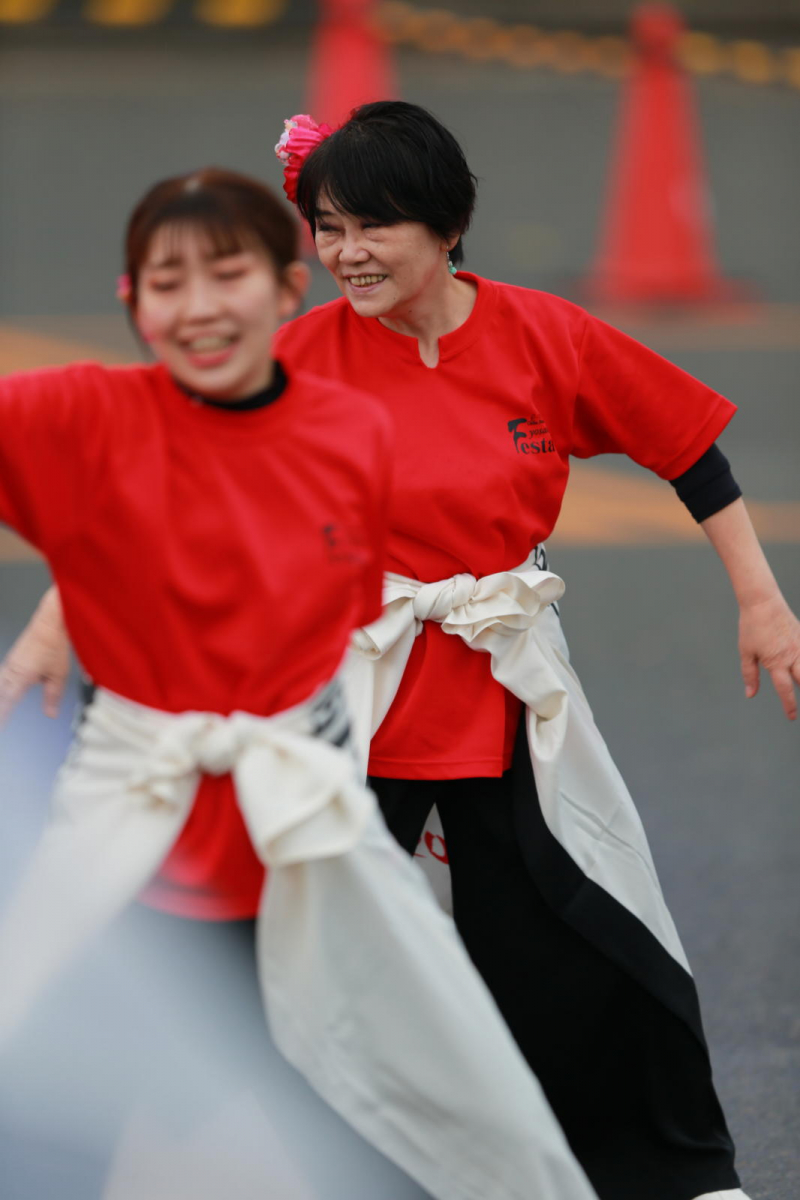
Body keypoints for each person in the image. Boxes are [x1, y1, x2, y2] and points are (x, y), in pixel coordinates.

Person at [5, 103, 799, 1200]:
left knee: (586, 942)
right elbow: (157, 489)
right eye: (326, 228)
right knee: (281, 947)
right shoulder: (298, 356)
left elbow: (689, 451)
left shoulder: (540, 336)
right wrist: (53, 627)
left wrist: (760, 603)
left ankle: (669, 1175)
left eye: (372, 226)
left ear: (447, 223)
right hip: (340, 693)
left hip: (498, 689)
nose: (346, 254)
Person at [0, 166, 598, 1200]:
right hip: (135, 813)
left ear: (286, 290)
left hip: (306, 812)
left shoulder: (347, 435)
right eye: (167, 281)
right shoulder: (71, 417)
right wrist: (57, 622)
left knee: (456, 1095)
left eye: (226, 274)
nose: (198, 307)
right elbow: (109, 524)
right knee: (65, 1079)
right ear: (130, 302)